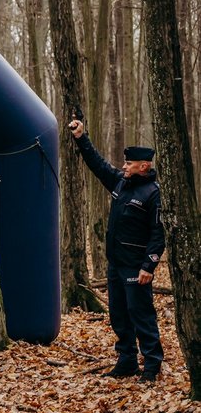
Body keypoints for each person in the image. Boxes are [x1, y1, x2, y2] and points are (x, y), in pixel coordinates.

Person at [69, 119, 166, 382]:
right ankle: (127, 362)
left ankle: (152, 365)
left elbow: (159, 233)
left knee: (141, 315)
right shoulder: (121, 183)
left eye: (129, 164)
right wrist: (81, 137)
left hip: (137, 266)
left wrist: (149, 265)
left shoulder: (153, 193)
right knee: (119, 316)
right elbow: (98, 165)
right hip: (116, 264)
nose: (123, 167)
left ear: (144, 166)